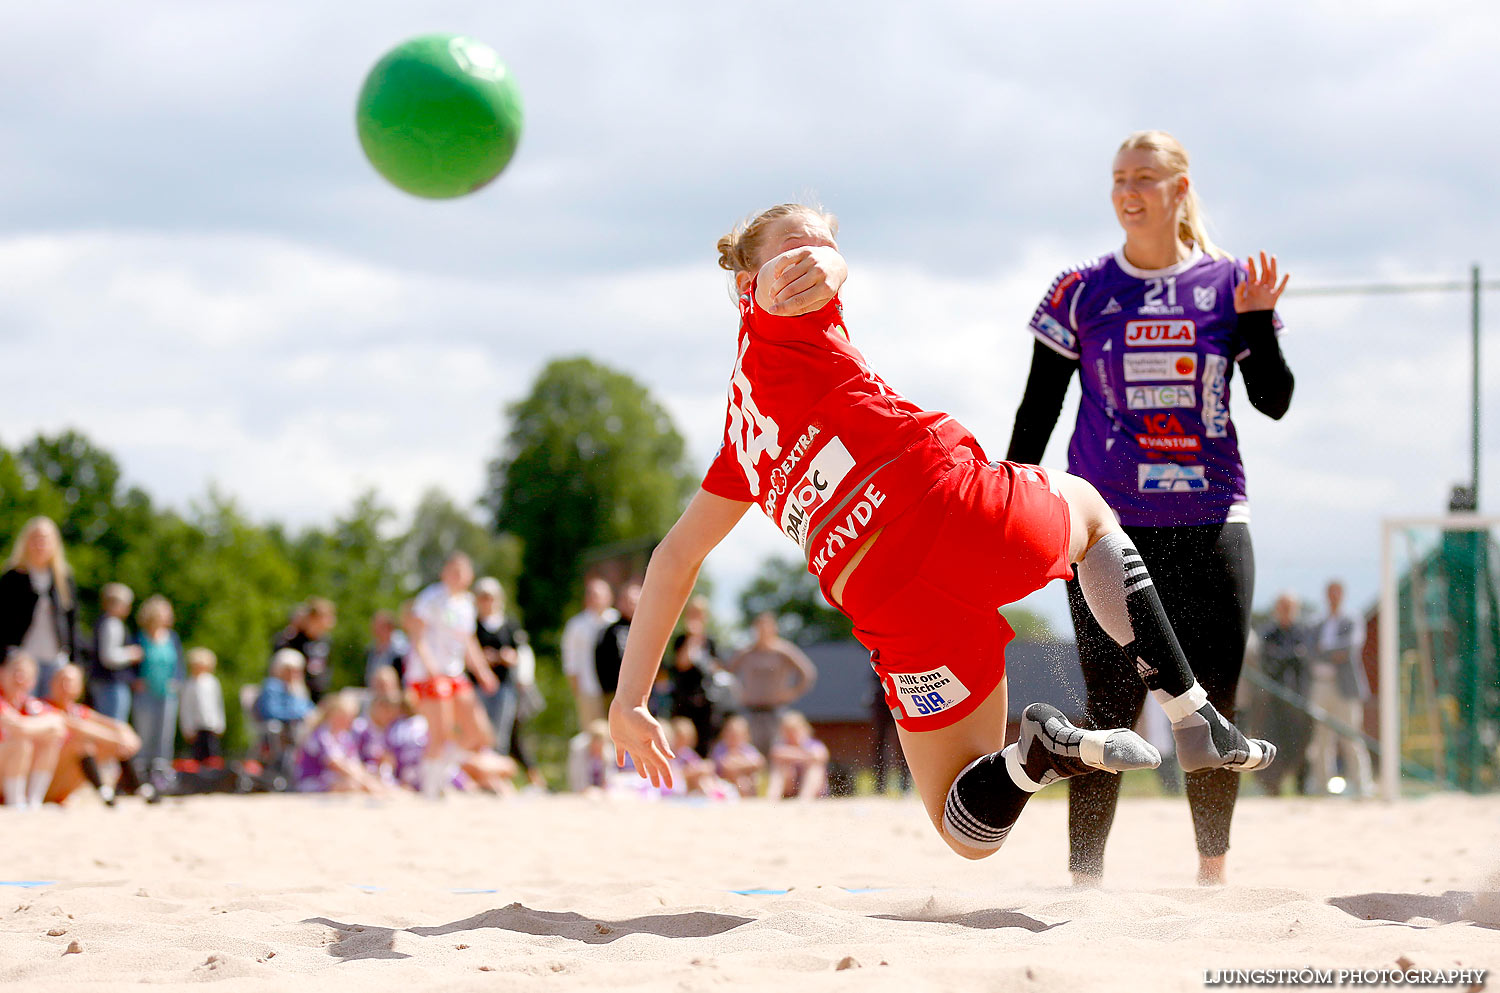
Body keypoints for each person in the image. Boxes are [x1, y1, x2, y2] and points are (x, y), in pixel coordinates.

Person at [609, 202, 1273, 866]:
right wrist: (829, 258)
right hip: (945, 506)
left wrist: (630, 700)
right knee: (1094, 513)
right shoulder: (780, 313)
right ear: (748, 276)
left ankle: (1035, 755)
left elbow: (675, 558)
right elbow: (809, 273)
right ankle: (1192, 714)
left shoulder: (740, 439)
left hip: (883, 593)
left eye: (825, 243)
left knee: (964, 826)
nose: (812, 254)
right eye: (794, 244)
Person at [1004, 131, 1294, 885]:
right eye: (1118, 179)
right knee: (1109, 705)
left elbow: (1275, 401)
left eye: (1144, 177)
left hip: (1212, 515)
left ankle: (1212, 872)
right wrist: (1015, 503)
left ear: (1178, 187)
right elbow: (1036, 411)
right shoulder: (1080, 290)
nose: (1128, 191)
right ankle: (1085, 878)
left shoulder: (1230, 283)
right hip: (1106, 526)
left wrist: (1258, 320)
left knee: (1214, 702)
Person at [405, 552, 500, 798]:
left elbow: (468, 642)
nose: (458, 576)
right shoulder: (431, 598)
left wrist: (483, 672)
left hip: (454, 674)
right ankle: (430, 789)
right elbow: (417, 635)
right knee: (441, 731)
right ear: (444, 572)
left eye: (463, 571)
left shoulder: (466, 604)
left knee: (478, 732)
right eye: (454, 570)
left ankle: (441, 773)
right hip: (430, 674)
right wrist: (430, 668)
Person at [1307, 580, 1375, 797]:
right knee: (1321, 739)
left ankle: (1363, 786)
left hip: (1345, 688)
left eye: (1337, 592)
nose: (1333, 596)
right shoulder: (1318, 622)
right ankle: (1321, 786)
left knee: (1351, 737)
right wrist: (1330, 652)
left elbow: (1350, 648)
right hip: (1320, 686)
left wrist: (1324, 650)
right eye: (1330, 592)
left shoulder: (1352, 619)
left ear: (1342, 595)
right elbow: (1309, 651)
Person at [0, 517, 79, 696]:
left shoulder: (63, 578)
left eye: (45, 539)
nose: (40, 544)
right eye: (35, 538)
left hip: (56, 660)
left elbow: (73, 622)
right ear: (26, 541)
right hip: (21, 660)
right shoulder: (12, 577)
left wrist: (76, 664)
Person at [42, 663, 141, 805]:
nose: (65, 686)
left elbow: (115, 725)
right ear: (52, 683)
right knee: (83, 744)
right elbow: (76, 726)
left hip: (63, 781)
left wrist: (127, 734)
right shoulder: (44, 707)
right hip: (48, 779)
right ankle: (105, 791)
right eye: (61, 680)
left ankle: (136, 786)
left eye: (70, 681)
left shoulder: (78, 711)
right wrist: (118, 739)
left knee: (104, 745)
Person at [726, 612, 817, 757]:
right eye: (760, 627)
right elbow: (726, 674)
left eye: (767, 627)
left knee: (776, 751)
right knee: (749, 752)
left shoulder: (784, 650)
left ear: (774, 629)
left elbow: (808, 673)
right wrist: (738, 694)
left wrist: (791, 693)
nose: (763, 631)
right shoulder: (746, 652)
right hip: (751, 710)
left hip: (775, 710)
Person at [1252, 592, 1315, 797]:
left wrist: (1286, 657)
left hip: (1299, 701)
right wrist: (1291, 656)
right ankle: (1272, 787)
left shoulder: (1303, 632)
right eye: (1282, 607)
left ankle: (1302, 788)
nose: (1286, 612)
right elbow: (1269, 662)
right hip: (1273, 704)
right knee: (1273, 744)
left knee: (1302, 745)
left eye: (1289, 608)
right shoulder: (1269, 633)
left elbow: (1305, 661)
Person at [0, 650, 65, 809]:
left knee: (50, 740)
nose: (19, 678)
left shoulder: (29, 704)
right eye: (15, 671)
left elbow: (58, 722)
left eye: (25, 674)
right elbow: (18, 728)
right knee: (21, 743)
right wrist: (35, 727)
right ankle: (15, 802)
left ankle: (33, 802)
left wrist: (25, 727)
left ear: (33, 681)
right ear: (2, 673)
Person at [295, 691, 390, 794]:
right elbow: (336, 765)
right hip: (313, 782)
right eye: (343, 716)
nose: (348, 721)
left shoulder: (344, 737)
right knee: (352, 786)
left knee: (361, 782)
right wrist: (365, 781)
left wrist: (368, 778)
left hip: (335, 780)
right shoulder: (321, 735)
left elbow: (353, 764)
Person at [132, 595, 184, 778]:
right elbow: (132, 664)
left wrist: (177, 681)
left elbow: (178, 664)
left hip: (167, 692)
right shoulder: (139, 637)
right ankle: (140, 771)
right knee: (144, 732)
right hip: (145, 691)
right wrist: (135, 680)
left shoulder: (172, 638)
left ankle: (162, 771)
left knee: (165, 734)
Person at [473, 577, 523, 755]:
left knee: (501, 732)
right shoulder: (472, 624)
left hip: (504, 686)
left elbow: (518, 653)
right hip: (478, 687)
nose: (488, 602)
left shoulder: (509, 624)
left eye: (491, 597)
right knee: (479, 730)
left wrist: (504, 657)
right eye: (483, 597)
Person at [560, 578, 617, 731]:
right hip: (588, 687)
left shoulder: (617, 621)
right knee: (591, 732)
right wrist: (576, 688)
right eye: (592, 594)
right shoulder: (576, 625)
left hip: (616, 689)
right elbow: (570, 659)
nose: (595, 599)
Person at [668, 596, 722, 749]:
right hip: (684, 700)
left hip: (705, 702)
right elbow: (682, 664)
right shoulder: (680, 639)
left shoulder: (710, 642)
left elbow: (716, 667)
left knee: (704, 743)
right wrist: (693, 639)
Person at [256, 648, 315, 782]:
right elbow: (271, 711)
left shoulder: (298, 688)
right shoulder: (272, 686)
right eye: (289, 670)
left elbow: (310, 709)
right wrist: (298, 715)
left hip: (299, 728)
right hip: (284, 729)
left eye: (296, 670)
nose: (293, 674)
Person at [89, 583, 142, 725]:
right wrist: (131, 654)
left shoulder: (104, 622)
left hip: (105, 682)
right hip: (111, 683)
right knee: (113, 726)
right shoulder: (112, 624)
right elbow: (108, 657)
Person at [273, 597, 337, 702]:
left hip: (318, 693)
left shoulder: (326, 641)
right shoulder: (295, 639)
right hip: (295, 694)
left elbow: (327, 666)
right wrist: (294, 626)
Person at [593, 582, 639, 716]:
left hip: (645, 694)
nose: (632, 605)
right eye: (628, 601)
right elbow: (601, 662)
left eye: (635, 601)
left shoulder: (647, 630)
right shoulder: (610, 632)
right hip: (617, 693)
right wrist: (609, 691)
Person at [766, 710, 829, 801]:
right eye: (788, 731)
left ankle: (805, 799)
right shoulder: (782, 745)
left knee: (815, 768)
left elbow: (820, 756)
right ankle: (772, 798)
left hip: (814, 789)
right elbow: (776, 754)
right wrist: (804, 756)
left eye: (794, 730)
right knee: (780, 766)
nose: (791, 734)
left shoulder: (812, 744)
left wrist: (794, 755)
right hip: (790, 787)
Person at [179, 647, 226, 762]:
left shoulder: (213, 682)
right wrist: (187, 728)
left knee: (213, 756)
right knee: (197, 755)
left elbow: (218, 704)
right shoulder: (189, 684)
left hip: (211, 726)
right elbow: (185, 708)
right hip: (196, 727)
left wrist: (220, 724)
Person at [709, 714, 764, 797]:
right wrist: (744, 764)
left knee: (749, 779)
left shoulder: (747, 748)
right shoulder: (720, 748)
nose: (733, 737)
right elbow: (726, 767)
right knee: (741, 779)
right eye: (730, 733)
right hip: (724, 782)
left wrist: (737, 762)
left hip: (746, 781)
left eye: (736, 734)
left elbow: (759, 762)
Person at [364, 610, 409, 687]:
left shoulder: (400, 650)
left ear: (390, 628)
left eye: (379, 627)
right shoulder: (372, 650)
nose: (375, 631)